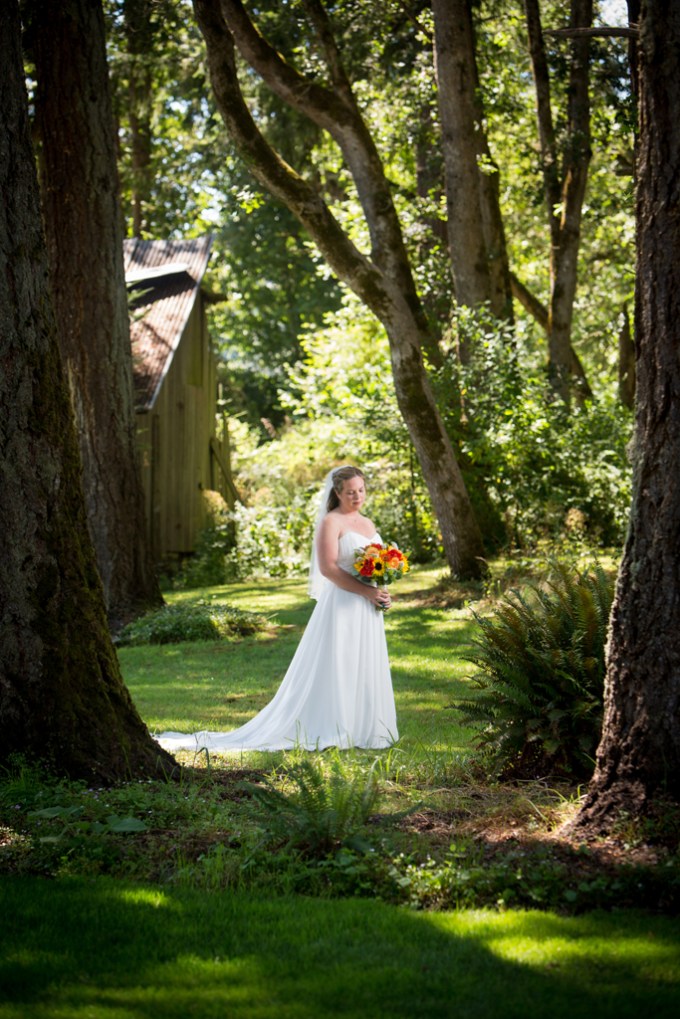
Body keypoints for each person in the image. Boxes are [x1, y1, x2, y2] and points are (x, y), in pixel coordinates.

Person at [157, 465, 398, 753]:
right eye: (350, 492)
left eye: (360, 490)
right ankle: (336, 727)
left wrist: (382, 591)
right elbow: (328, 569)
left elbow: (377, 565)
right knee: (341, 664)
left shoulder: (368, 524)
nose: (357, 496)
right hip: (343, 605)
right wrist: (366, 591)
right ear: (337, 493)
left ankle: (366, 729)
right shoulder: (331, 522)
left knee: (365, 662)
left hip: (368, 607)